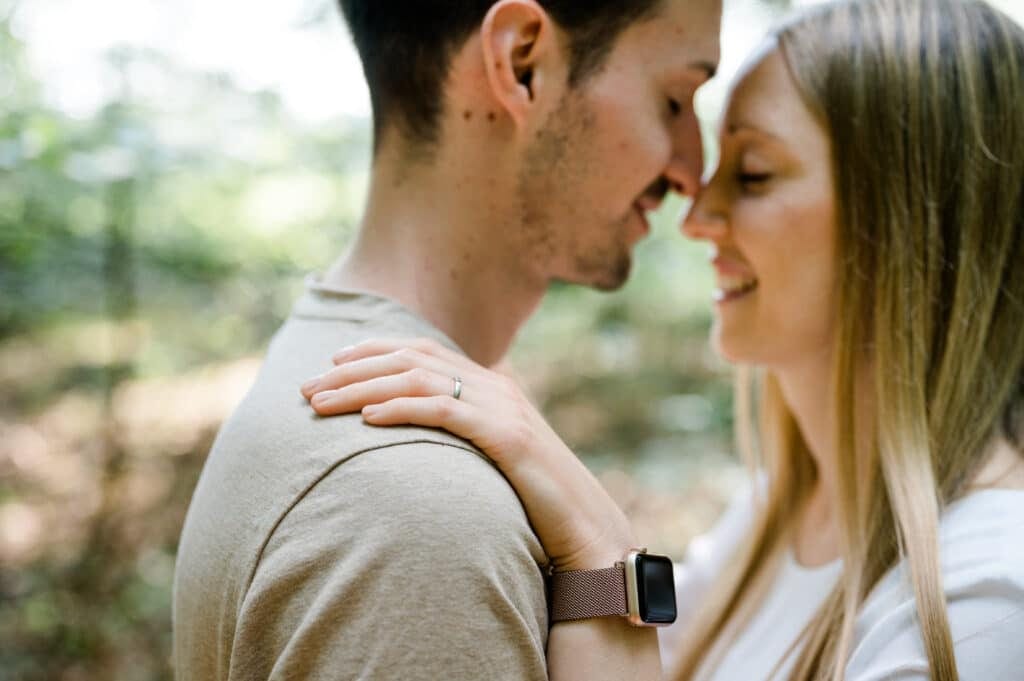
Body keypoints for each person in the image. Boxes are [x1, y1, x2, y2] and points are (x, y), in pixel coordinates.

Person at [302, 0, 1024, 678]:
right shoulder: (775, 519)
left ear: (912, 228)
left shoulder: (983, 600)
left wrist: (601, 547)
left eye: (753, 174)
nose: (696, 214)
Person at [171, 0, 721, 679]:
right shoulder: (421, 520)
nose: (693, 172)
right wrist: (612, 574)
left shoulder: (325, 356)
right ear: (522, 63)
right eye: (674, 100)